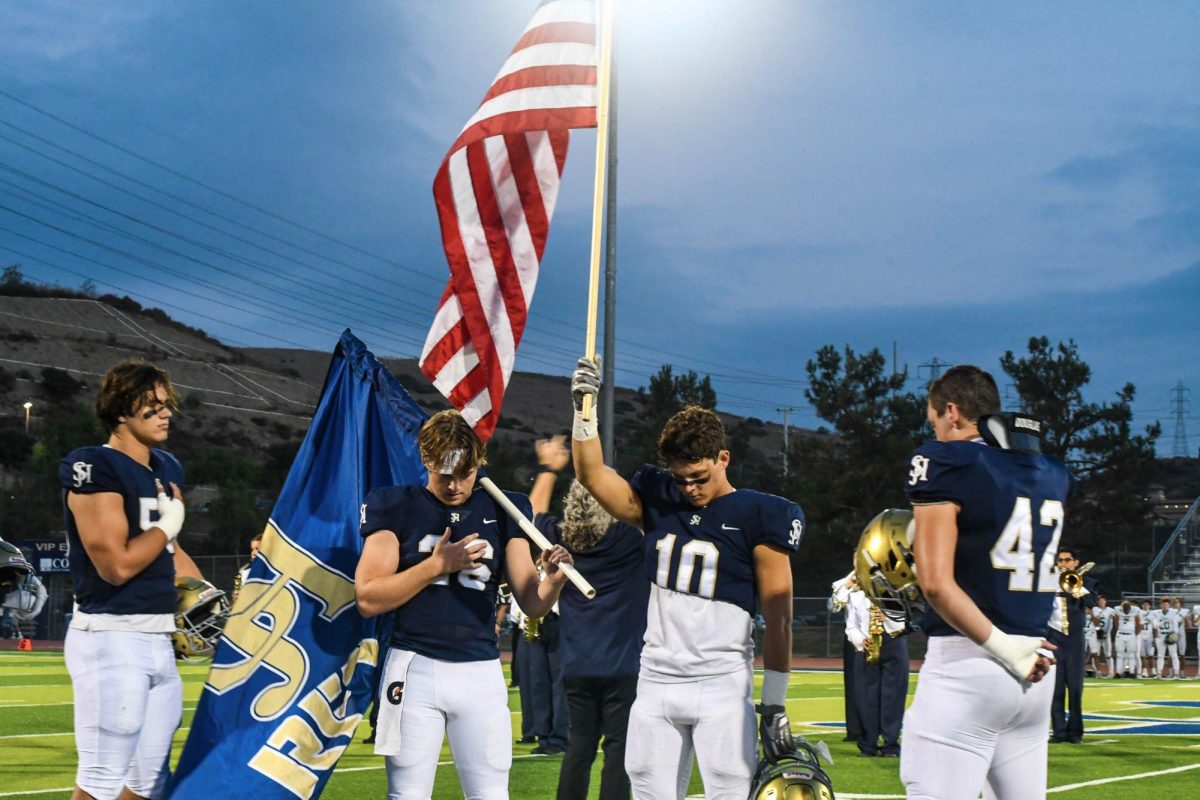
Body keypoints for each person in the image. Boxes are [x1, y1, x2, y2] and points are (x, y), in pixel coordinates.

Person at [570, 358, 804, 800]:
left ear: (723, 458)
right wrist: (585, 412)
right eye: (681, 479)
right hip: (656, 681)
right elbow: (591, 474)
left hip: (722, 685)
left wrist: (774, 704)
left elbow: (781, 617)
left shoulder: (761, 514)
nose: (690, 489)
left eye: (700, 477)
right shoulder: (661, 498)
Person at [354, 409, 574, 800]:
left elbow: (531, 602)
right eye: (445, 474)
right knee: (406, 794)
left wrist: (553, 583)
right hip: (413, 668)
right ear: (425, 459)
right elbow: (368, 597)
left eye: (466, 473)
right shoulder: (394, 504)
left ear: (480, 462)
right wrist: (437, 565)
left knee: (491, 794)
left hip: (480, 672)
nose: (456, 485)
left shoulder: (506, 506)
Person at [899, 365, 1070, 800]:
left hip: (972, 663)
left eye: (935, 419)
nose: (934, 431)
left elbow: (936, 584)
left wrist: (1003, 647)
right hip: (1035, 673)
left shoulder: (947, 461)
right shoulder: (1049, 471)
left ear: (952, 412)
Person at [59, 361, 204, 800]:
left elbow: (168, 552)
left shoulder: (166, 467)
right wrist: (169, 523)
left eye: (167, 405)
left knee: (148, 785)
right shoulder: (93, 465)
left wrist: (207, 597)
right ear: (122, 411)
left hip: (158, 639)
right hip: (111, 636)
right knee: (102, 780)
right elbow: (116, 566)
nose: (166, 414)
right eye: (153, 406)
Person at [530, 435, 650, 800]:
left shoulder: (558, 541)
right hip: (624, 665)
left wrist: (549, 469)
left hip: (577, 664)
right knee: (619, 752)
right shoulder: (629, 539)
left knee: (578, 749)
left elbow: (531, 516)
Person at [1047, 547, 1097, 744]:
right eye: (1060, 560)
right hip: (1054, 637)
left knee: (1075, 688)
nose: (1063, 564)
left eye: (1067, 560)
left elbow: (1092, 602)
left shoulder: (1088, 582)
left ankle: (1075, 732)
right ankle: (1058, 731)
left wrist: (1075, 585)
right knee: (1056, 688)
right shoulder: (1048, 582)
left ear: (1076, 563)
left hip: (1075, 639)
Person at [829, 571, 864, 744]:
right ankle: (855, 730)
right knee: (852, 685)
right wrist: (846, 586)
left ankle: (877, 731)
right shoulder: (848, 580)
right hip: (852, 637)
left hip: (878, 634)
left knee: (877, 685)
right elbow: (832, 607)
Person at [1150, 597, 1181, 679]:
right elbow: (1155, 625)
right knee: (1160, 655)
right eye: (1163, 604)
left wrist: (1175, 635)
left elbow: (1175, 625)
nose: (1165, 606)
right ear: (1161, 605)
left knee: (1174, 655)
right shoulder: (1156, 613)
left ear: (1169, 605)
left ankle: (1176, 673)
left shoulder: (1173, 612)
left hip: (1170, 634)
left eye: (1166, 604)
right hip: (1161, 635)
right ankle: (1159, 673)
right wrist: (1163, 621)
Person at [1112, 600, 1140, 678]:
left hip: (1131, 634)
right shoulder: (1117, 609)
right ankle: (1118, 672)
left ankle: (1131, 672)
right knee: (1119, 654)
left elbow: (1138, 623)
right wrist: (1118, 630)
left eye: (1127, 609)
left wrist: (1135, 634)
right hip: (1120, 634)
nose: (1126, 611)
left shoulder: (1135, 610)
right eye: (1125, 609)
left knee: (1131, 654)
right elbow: (1115, 622)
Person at [1093, 596, 1114, 678]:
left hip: (1106, 634)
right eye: (1100, 601)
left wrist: (1108, 632)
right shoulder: (1095, 609)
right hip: (1096, 634)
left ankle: (1111, 672)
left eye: (1103, 600)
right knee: (1096, 654)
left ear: (1106, 601)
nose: (1101, 602)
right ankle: (1097, 671)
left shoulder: (1110, 610)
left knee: (1108, 654)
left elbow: (1111, 622)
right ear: (1098, 602)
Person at [1138, 600, 1155, 678]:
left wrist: (1155, 637)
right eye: (1144, 604)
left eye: (1147, 604)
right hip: (1141, 635)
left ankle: (1153, 671)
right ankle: (1144, 671)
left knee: (1151, 655)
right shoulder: (1139, 612)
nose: (1145, 606)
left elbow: (1155, 626)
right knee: (1143, 655)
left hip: (1149, 635)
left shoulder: (1153, 613)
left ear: (1150, 606)